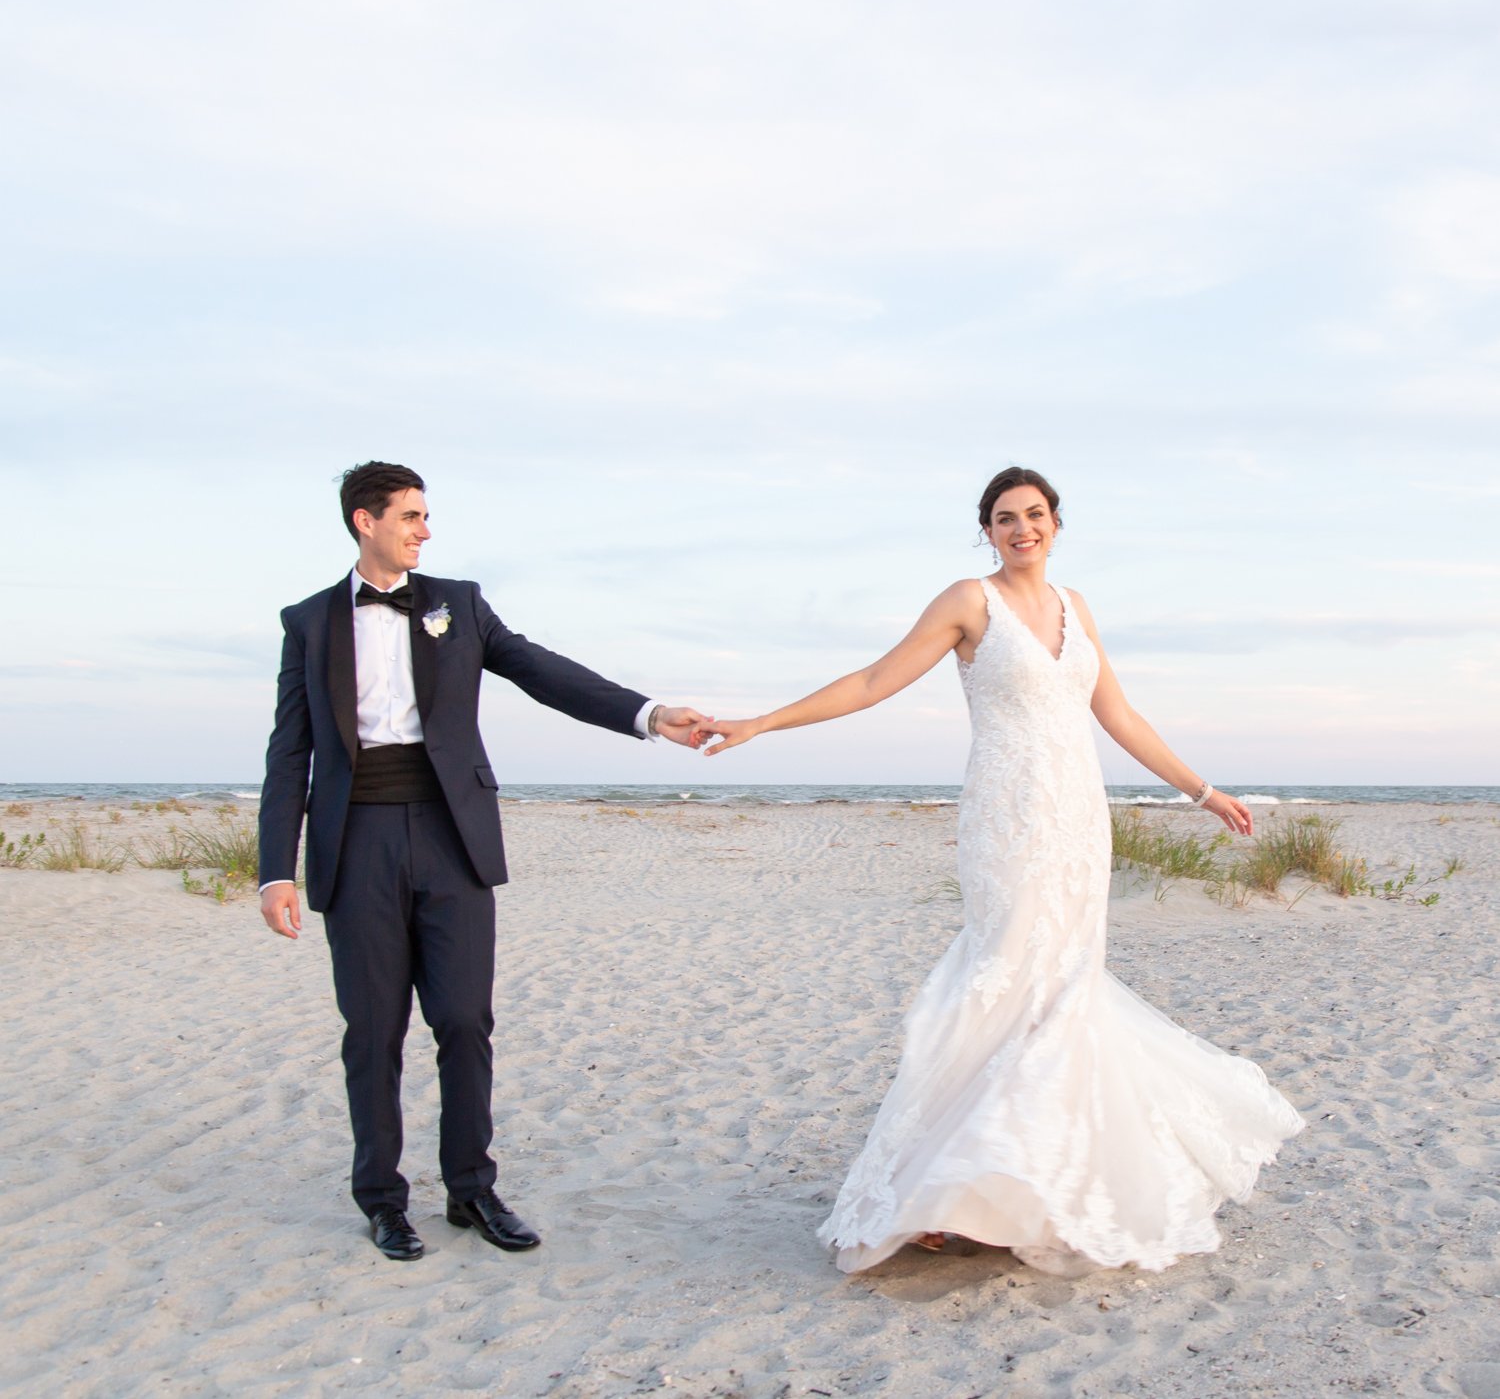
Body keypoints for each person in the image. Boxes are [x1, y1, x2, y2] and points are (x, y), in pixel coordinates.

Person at [701, 466, 1303, 1274]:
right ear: (985, 530)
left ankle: (1021, 1186)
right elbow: (875, 682)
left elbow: (1117, 714)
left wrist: (1201, 790)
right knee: (1003, 980)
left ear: (1057, 523)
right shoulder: (966, 602)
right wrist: (759, 724)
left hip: (1079, 822)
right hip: (1007, 821)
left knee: (1062, 993)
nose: (1022, 528)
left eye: (1036, 514)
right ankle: (946, 1188)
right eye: (1004, 517)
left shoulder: (1076, 608)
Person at [258, 461, 708, 1262]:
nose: (425, 530)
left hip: (451, 836)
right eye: (411, 516)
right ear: (366, 522)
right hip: (354, 840)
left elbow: (542, 672)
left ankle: (471, 1188)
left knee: (464, 1019)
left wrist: (647, 713)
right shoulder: (309, 621)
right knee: (372, 1030)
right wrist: (276, 869)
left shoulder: (457, 605)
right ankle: (383, 1201)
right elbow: (290, 751)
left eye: (426, 516)